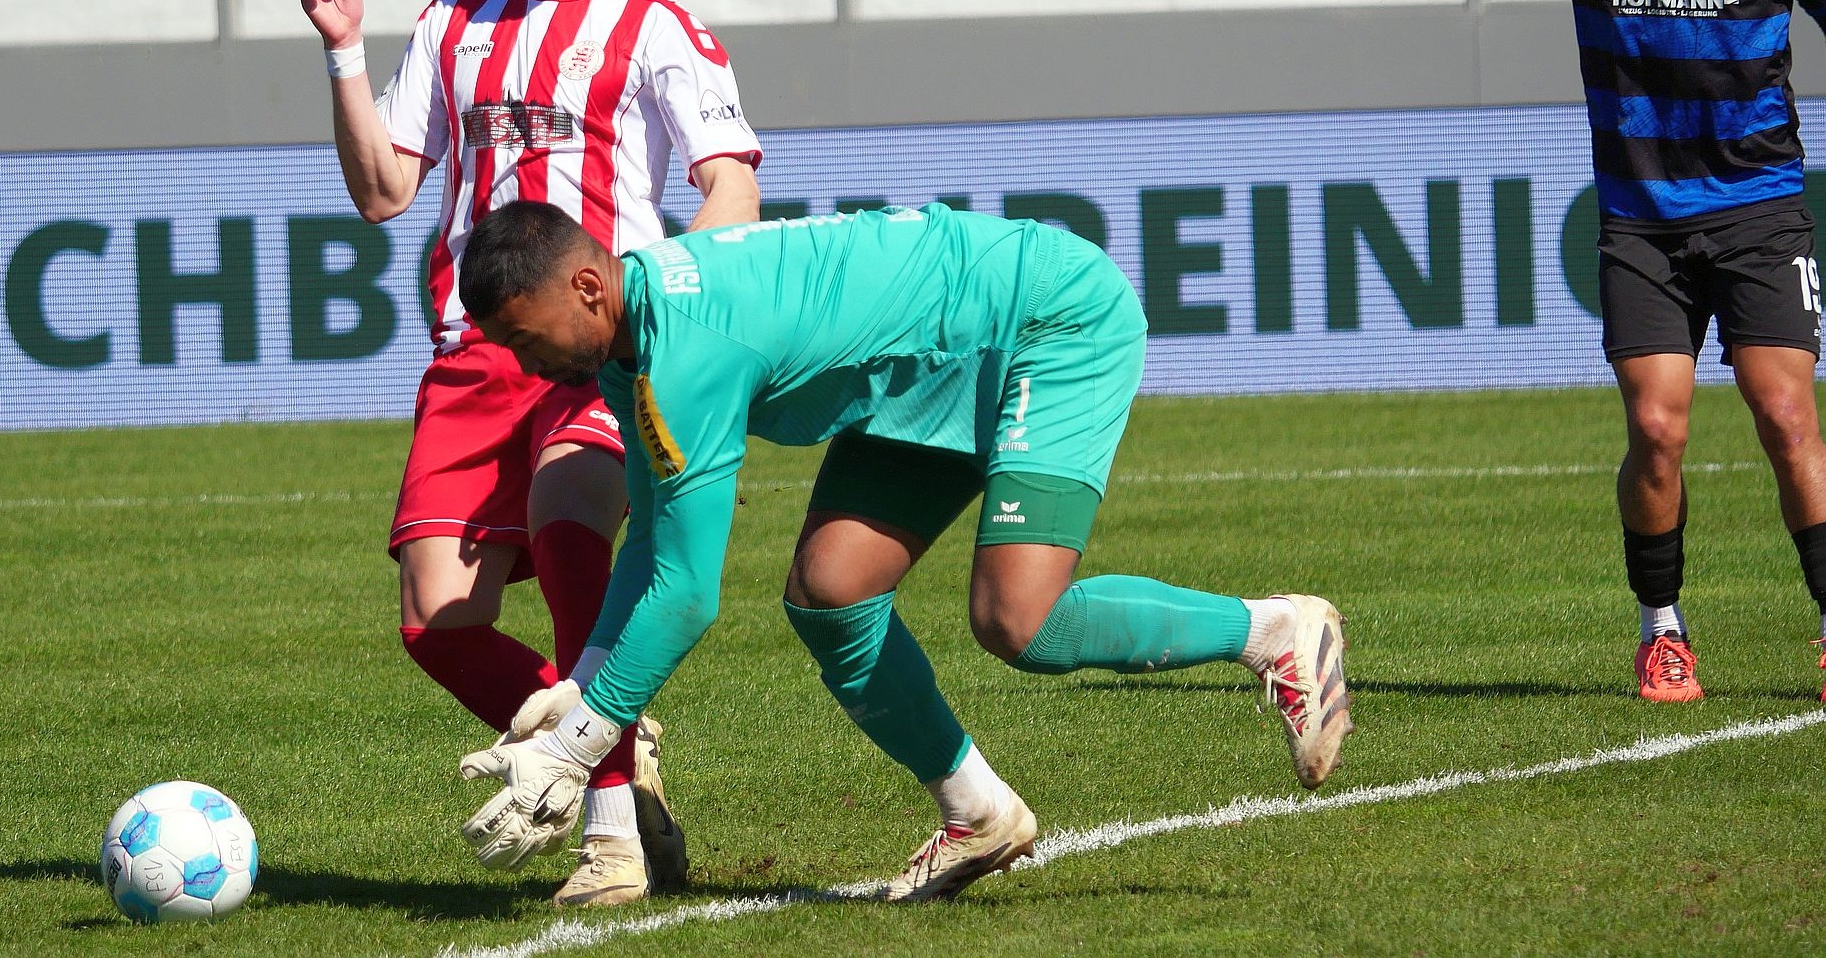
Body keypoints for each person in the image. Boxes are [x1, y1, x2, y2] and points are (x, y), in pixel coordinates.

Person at [449, 200, 1353, 902]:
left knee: (1018, 619)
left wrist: (574, 750)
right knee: (831, 590)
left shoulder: (686, 352)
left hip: (1047, 318)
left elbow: (688, 595)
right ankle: (978, 814)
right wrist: (583, 686)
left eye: (525, 338)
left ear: (587, 288)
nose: (526, 365)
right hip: (931, 363)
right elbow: (650, 538)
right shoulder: (629, 341)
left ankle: (1271, 631)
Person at [295, 0, 763, 903]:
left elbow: (731, 189)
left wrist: (667, 323)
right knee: (437, 624)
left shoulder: (657, 26)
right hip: (474, 353)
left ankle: (610, 841)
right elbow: (383, 191)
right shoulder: (456, 20)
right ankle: (615, 737)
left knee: (569, 543)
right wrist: (345, 51)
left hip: (598, 348)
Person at [1412, 0, 1826, 702]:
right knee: (1658, 430)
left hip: (1759, 208)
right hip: (1642, 222)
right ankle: (1662, 629)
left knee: (1786, 417)